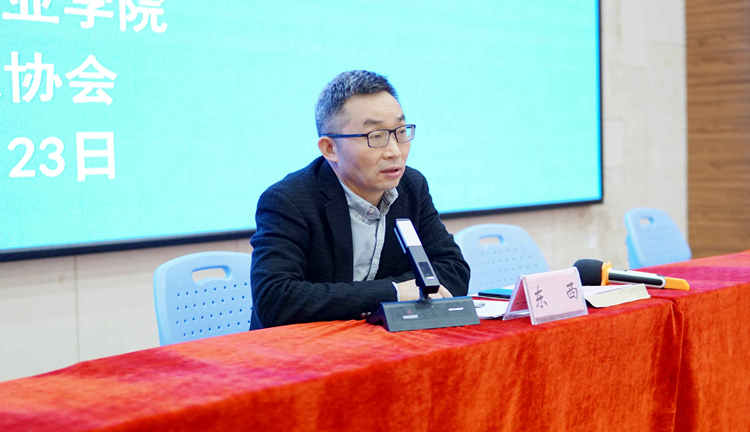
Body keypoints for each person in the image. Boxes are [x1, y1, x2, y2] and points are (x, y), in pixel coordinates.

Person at [249, 70, 469, 329]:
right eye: (376, 136)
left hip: (384, 340)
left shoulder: (411, 186)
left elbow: (454, 270)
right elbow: (276, 299)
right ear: (330, 148)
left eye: (400, 131)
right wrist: (394, 292)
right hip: (304, 347)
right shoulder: (288, 200)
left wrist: (400, 291)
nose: (394, 151)